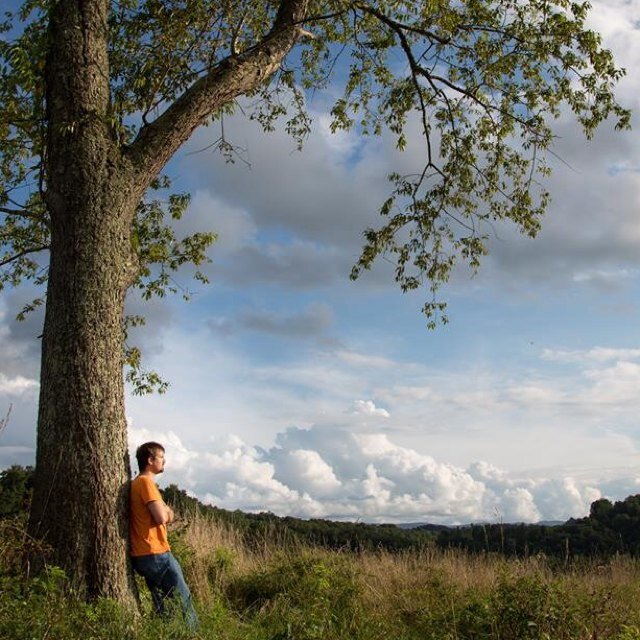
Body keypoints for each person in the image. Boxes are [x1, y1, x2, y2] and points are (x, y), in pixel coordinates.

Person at [130, 441, 198, 630]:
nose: (164, 461)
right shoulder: (146, 483)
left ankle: (165, 633)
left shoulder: (136, 483)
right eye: (161, 457)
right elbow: (161, 516)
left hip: (142, 554)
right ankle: (192, 635)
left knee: (163, 605)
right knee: (183, 601)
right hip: (156, 552)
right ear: (150, 459)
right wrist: (168, 511)